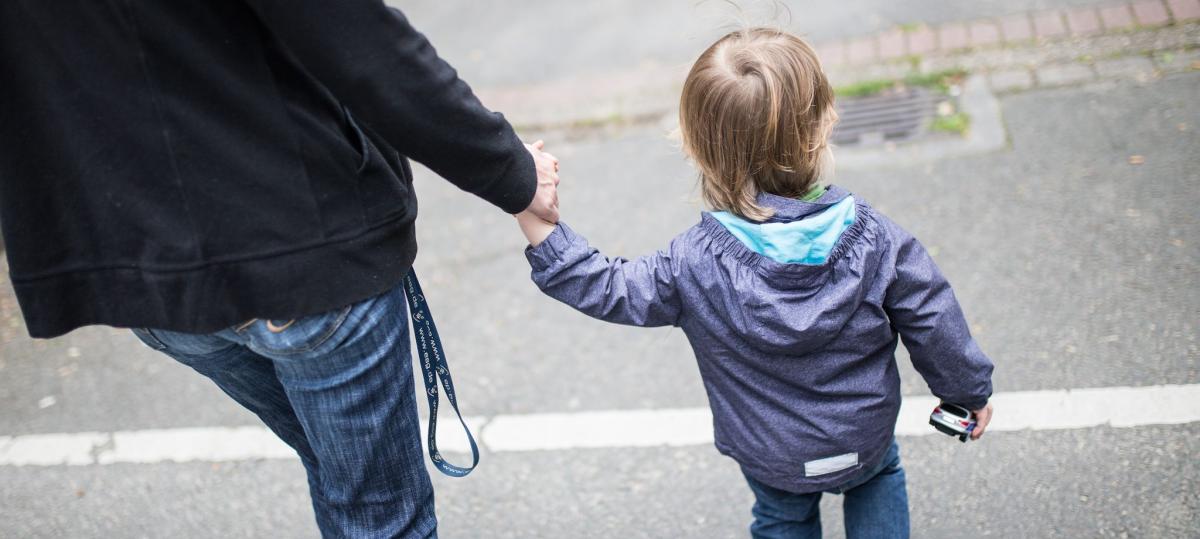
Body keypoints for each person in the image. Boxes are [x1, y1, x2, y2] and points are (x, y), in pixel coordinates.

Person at [0, 1, 558, 537]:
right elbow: (363, 44)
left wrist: (87, 253)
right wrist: (511, 171)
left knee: (339, 475)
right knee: (375, 512)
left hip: (148, 273)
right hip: (301, 245)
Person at [515, 28, 995, 539]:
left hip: (770, 451)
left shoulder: (690, 264)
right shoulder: (880, 241)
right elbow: (933, 318)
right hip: (864, 436)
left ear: (698, 149)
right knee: (878, 481)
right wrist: (968, 393)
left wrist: (529, 205)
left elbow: (608, 286)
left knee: (784, 516)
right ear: (823, 127)